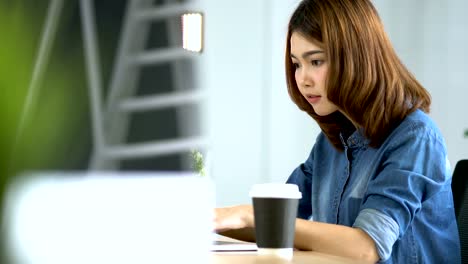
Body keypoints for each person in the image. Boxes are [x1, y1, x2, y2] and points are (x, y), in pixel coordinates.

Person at [214, 0, 461, 263]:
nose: (303, 79)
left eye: (316, 61)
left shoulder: (416, 137)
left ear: (358, 56)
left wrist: (247, 214)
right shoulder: (330, 142)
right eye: (297, 64)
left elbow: (366, 247)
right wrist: (203, 219)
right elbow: (278, 222)